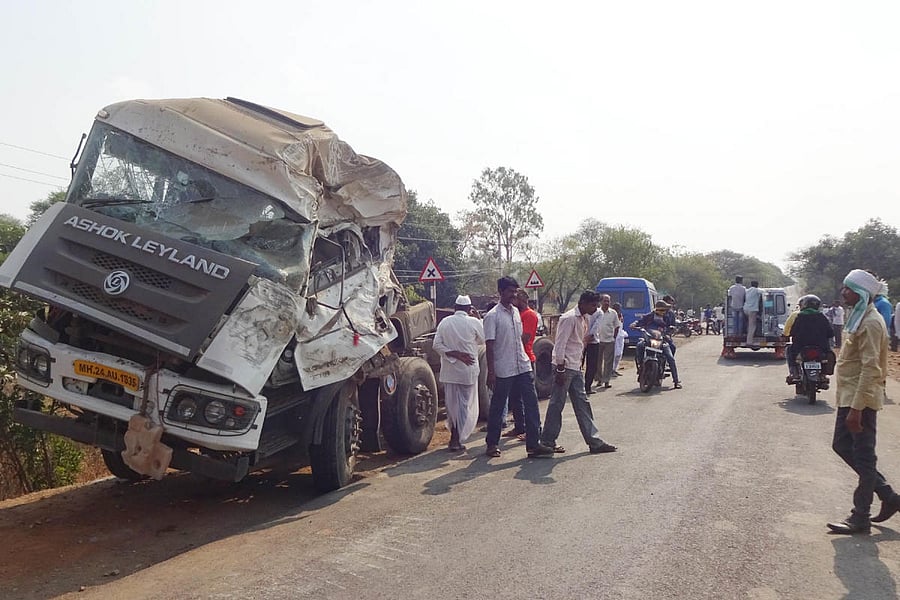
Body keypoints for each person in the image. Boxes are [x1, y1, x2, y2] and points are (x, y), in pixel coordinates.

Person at [826, 269, 899, 534]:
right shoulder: (860, 317)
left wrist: (856, 409)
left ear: (861, 293)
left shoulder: (871, 323)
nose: (843, 292)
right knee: (842, 445)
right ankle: (888, 495)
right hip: (849, 396)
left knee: (864, 457)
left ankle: (860, 516)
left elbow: (871, 369)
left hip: (862, 400)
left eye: (848, 289)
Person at [482, 276, 554, 459]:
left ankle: (533, 444)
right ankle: (492, 444)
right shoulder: (492, 316)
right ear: (500, 292)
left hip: (522, 365)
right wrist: (491, 372)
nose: (513, 295)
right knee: (498, 407)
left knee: (531, 404)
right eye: (510, 291)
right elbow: (489, 346)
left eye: (515, 291)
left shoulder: (515, 312)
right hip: (503, 368)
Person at [540, 290, 617, 455]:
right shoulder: (569, 318)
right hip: (564, 367)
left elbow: (579, 344)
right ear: (583, 303)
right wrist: (560, 368)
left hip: (575, 367)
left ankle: (594, 442)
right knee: (556, 405)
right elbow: (560, 344)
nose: (595, 308)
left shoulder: (585, 317)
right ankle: (547, 441)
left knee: (582, 404)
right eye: (593, 305)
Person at [432, 295, 485, 452]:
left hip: (449, 371)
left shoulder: (445, 322)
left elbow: (436, 345)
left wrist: (453, 354)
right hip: (467, 370)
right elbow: (483, 340)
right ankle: (456, 438)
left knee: (451, 405)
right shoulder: (473, 322)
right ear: (469, 309)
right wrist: (478, 318)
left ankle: (455, 437)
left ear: (455, 308)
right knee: (463, 405)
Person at [501, 289, 540, 439]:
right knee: (515, 397)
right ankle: (519, 427)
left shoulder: (529, 315)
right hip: (515, 359)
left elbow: (524, 338)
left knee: (527, 399)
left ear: (521, 300)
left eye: (515, 299)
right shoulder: (516, 314)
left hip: (526, 358)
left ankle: (530, 431)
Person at [631, 300, 682, 389]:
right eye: (662, 310)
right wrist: (634, 324)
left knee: (671, 357)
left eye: (664, 310)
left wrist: (671, 330)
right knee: (639, 345)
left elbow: (672, 326)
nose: (664, 312)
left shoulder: (667, 317)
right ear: (656, 310)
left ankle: (676, 381)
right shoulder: (649, 316)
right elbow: (639, 322)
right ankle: (640, 364)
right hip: (649, 339)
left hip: (662, 340)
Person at [785, 294, 834, 382]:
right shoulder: (822, 317)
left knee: (789, 351)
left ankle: (794, 373)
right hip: (821, 347)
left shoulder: (800, 317)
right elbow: (830, 333)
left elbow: (792, 332)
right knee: (828, 355)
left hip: (800, 347)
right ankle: (823, 374)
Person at [592, 294, 619, 389]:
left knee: (608, 362)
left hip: (609, 340)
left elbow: (617, 326)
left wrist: (614, 337)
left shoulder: (613, 313)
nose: (606, 303)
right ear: (601, 302)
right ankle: (599, 379)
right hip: (598, 340)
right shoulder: (596, 312)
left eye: (608, 301)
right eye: (605, 301)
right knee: (597, 361)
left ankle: (606, 380)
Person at [743, 280, 761, 346]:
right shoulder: (756, 290)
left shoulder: (747, 290)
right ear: (756, 285)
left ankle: (746, 334)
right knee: (752, 326)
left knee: (749, 323)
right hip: (752, 310)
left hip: (745, 309)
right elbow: (764, 293)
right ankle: (749, 342)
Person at [611, 302, 627, 375]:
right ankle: (611, 370)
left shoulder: (620, 316)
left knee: (619, 354)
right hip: (614, 336)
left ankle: (615, 369)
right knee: (614, 354)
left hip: (620, 336)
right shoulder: (611, 315)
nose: (618, 310)